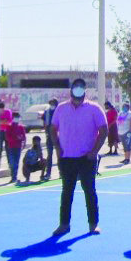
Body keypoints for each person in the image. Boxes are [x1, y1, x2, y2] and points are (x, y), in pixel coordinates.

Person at [51, 77, 108, 236]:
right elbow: (53, 128)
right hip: (67, 157)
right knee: (67, 191)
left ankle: (93, 224)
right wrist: (57, 147)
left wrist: (94, 152)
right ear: (71, 89)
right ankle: (64, 224)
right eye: (75, 86)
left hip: (86, 158)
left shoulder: (94, 108)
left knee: (89, 191)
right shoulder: (61, 108)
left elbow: (103, 131)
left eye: (80, 87)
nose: (78, 89)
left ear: (85, 90)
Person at [2, 110, 28, 183]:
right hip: (11, 146)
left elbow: (24, 137)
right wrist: (15, 138)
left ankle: (14, 177)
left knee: (16, 162)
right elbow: (7, 137)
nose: (16, 118)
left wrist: (22, 141)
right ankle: (13, 176)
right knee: (12, 162)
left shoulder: (20, 127)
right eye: (15, 117)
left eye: (17, 117)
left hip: (18, 147)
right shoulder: (9, 126)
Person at [42, 98, 59, 179]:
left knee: (59, 154)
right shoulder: (47, 111)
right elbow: (45, 122)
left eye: (53, 103)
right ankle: (48, 173)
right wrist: (46, 131)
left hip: (58, 135)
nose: (51, 105)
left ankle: (61, 172)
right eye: (50, 103)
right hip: (49, 135)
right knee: (50, 154)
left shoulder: (59, 111)